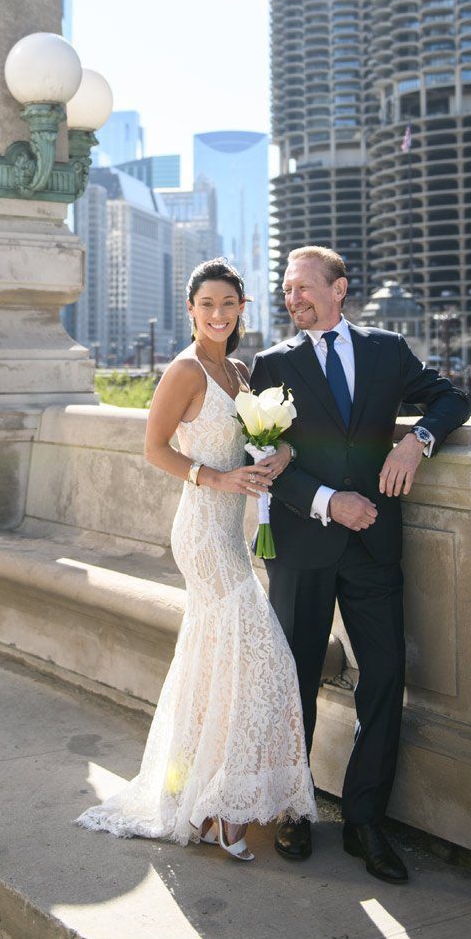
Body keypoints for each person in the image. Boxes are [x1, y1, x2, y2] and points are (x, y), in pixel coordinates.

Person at [76, 258, 318, 861]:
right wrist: (215, 478)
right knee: (265, 661)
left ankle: (210, 806)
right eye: (206, 304)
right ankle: (219, 806)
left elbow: (270, 436)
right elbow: (153, 447)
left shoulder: (237, 370)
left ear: (243, 310)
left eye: (228, 305)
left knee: (217, 665)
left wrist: (274, 458)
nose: (217, 314)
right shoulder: (185, 370)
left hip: (231, 532)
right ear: (191, 309)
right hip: (203, 534)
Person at [251, 246, 471, 883]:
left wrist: (416, 439)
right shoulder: (271, 364)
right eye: (286, 289)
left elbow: (450, 398)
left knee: (384, 676)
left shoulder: (386, 350)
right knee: (294, 681)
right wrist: (328, 501)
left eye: (303, 287)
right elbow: (264, 461)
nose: (293, 298)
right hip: (304, 546)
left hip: (374, 546)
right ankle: (294, 806)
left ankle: (364, 819)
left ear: (339, 288)